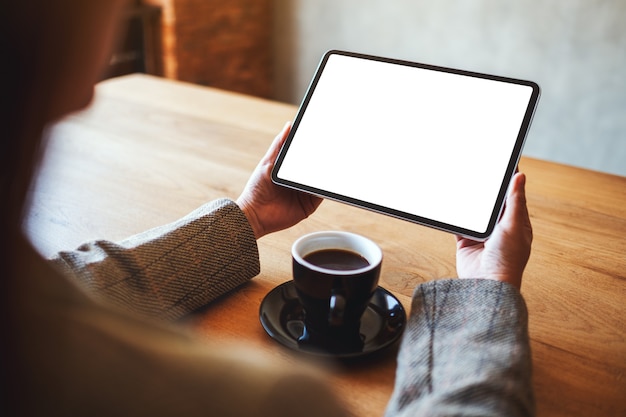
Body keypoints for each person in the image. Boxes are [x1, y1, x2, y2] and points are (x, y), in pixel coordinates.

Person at [1, 0, 534, 416]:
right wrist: (487, 296)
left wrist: (248, 216)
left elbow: (77, 284)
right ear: (67, 72)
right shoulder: (264, 403)